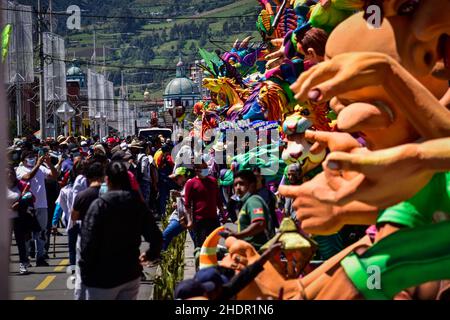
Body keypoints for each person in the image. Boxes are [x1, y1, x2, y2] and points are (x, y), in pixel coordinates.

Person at [79, 161, 162, 300]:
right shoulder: (137, 203)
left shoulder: (99, 205)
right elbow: (156, 237)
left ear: (107, 180)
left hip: (102, 277)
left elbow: (87, 243)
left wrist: (86, 274)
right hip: (130, 274)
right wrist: (150, 254)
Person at [16, 150, 58, 266]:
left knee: (41, 232)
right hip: (27, 206)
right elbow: (27, 177)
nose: (33, 159)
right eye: (29, 157)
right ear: (23, 159)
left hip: (42, 205)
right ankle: (26, 259)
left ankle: (40, 257)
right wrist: (38, 164)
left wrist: (49, 164)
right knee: (27, 234)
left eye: (34, 157)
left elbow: (55, 176)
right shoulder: (20, 170)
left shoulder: (41, 169)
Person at [223, 170, 275, 251]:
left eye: (241, 183)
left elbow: (259, 223)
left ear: (252, 185)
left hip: (258, 252)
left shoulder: (253, 201)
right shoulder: (245, 202)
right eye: (235, 185)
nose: (238, 188)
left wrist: (238, 235)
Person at [184, 161, 224, 251]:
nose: (206, 170)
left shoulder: (213, 181)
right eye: (203, 168)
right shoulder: (191, 183)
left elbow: (218, 199)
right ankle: (199, 264)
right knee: (200, 247)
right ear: (197, 170)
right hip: (199, 220)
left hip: (213, 218)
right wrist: (189, 220)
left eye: (206, 168)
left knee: (214, 245)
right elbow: (187, 204)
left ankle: (212, 264)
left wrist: (223, 213)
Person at [161, 167, 190, 250]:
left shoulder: (189, 184)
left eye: (177, 178)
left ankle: (159, 257)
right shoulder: (183, 186)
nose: (176, 180)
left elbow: (192, 200)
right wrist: (177, 203)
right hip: (180, 217)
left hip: (185, 218)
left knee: (165, 236)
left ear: (184, 176)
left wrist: (179, 195)